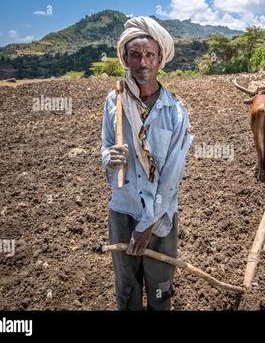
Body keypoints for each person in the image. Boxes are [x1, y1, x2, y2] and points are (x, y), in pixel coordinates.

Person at [100, 16, 193, 310]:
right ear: (125, 59)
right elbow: (105, 144)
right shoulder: (113, 102)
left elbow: (171, 176)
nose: (143, 62)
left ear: (160, 59)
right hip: (123, 209)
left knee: (160, 288)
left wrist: (148, 223)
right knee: (126, 289)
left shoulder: (175, 112)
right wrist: (108, 157)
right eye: (135, 55)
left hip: (160, 218)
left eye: (150, 54)